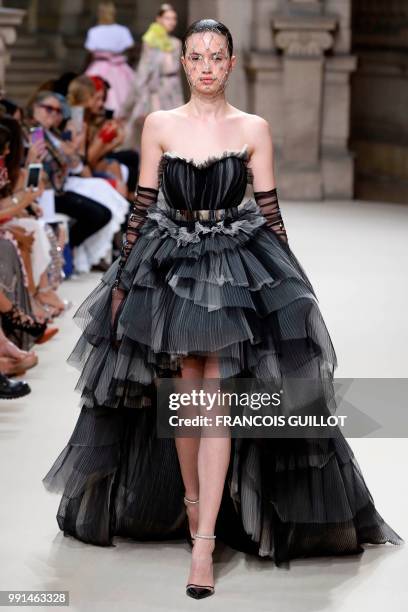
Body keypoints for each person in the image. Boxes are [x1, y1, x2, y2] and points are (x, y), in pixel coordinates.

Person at [42, 18, 404, 601]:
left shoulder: (253, 128)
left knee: (213, 396)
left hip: (234, 265)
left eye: (217, 56)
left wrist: (291, 285)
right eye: (196, 57)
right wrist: (121, 281)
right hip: (172, 263)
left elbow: (270, 211)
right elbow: (140, 210)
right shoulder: (159, 124)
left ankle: (205, 541)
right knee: (185, 393)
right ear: (184, 64)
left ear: (231, 64)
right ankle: (194, 516)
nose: (207, 66)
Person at [120, 3, 184, 149]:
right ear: (159, 19)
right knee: (158, 126)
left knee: (174, 128)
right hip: (155, 89)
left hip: (172, 88)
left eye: (174, 18)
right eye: (168, 18)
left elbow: (177, 73)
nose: (172, 22)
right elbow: (144, 70)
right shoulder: (150, 40)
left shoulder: (176, 43)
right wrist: (136, 97)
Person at [84, 1, 135, 116]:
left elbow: (90, 53)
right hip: (120, 68)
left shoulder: (94, 31)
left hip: (99, 67)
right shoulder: (122, 31)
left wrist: (84, 68)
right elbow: (131, 50)